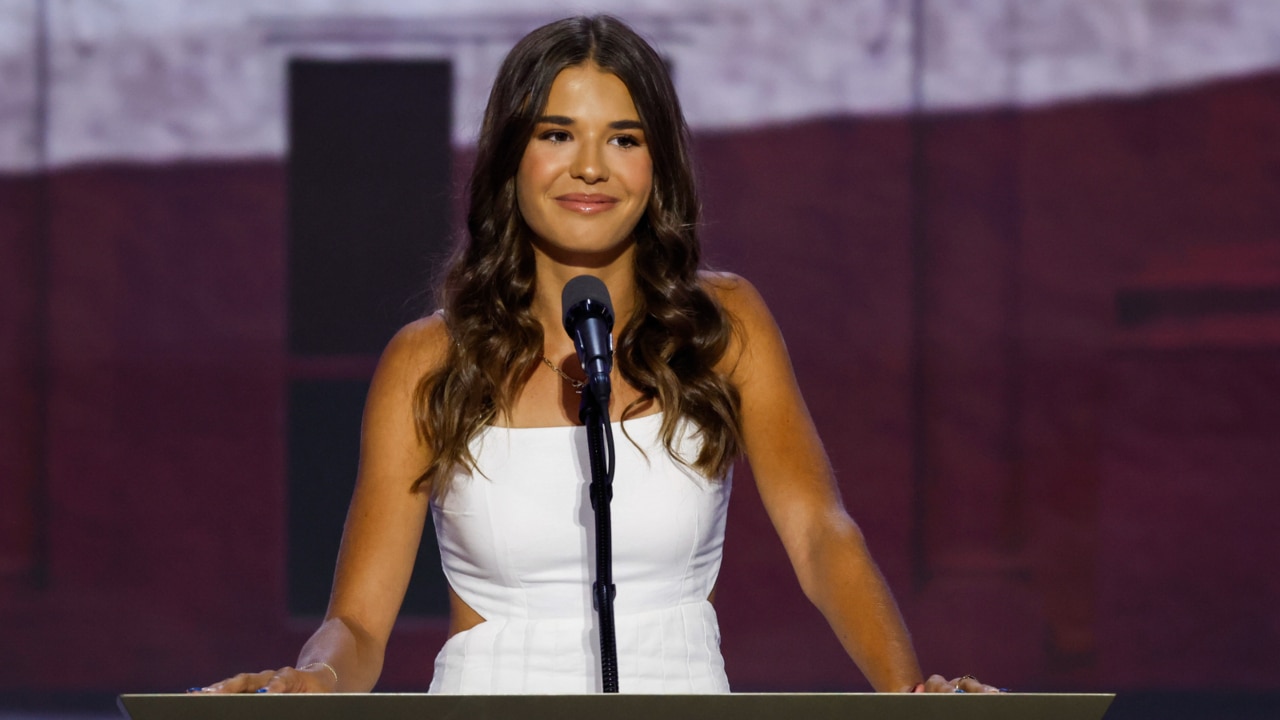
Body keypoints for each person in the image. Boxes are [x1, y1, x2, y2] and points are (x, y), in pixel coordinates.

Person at [198, 14, 998, 695]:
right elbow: (358, 623)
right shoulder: (428, 361)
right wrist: (312, 681)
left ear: (657, 167)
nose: (591, 166)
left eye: (623, 137)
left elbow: (822, 537)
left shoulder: (725, 324)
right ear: (514, 158)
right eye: (557, 135)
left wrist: (910, 696)